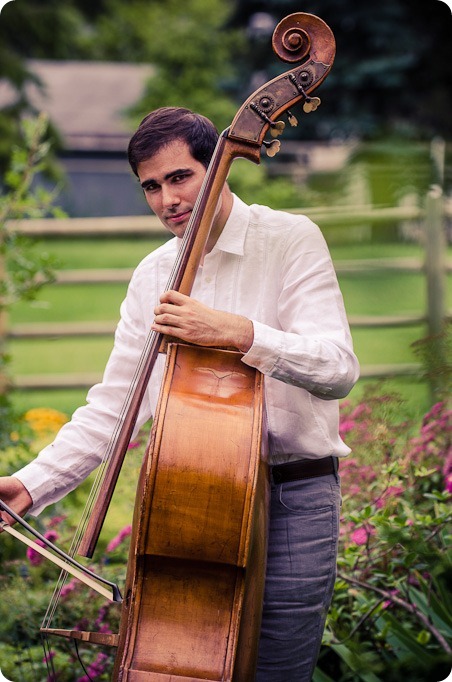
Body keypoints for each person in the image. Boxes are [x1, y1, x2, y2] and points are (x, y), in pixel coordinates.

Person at [0, 106, 359, 681]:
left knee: (278, 671)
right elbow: (116, 407)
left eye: (179, 177)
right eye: (150, 186)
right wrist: (29, 484)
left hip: (294, 500)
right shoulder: (152, 276)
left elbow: (338, 367)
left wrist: (238, 333)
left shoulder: (290, 240)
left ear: (218, 165)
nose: (167, 199)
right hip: (193, 505)